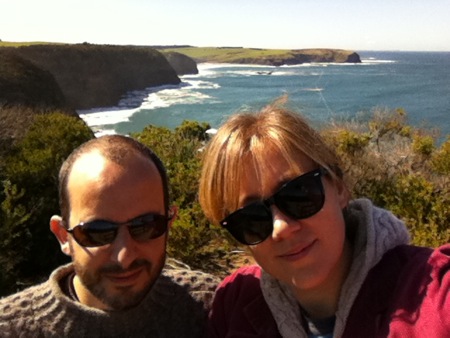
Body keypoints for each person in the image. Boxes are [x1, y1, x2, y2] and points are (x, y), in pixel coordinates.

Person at [198, 102, 450, 337]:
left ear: (339, 188)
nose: (281, 228)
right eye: (251, 219)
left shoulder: (435, 288)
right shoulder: (235, 303)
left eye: (299, 194)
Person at [0, 134, 219, 337]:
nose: (124, 257)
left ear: (169, 223)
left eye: (145, 226)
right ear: (63, 236)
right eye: (98, 232)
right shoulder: (10, 328)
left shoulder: (214, 307)